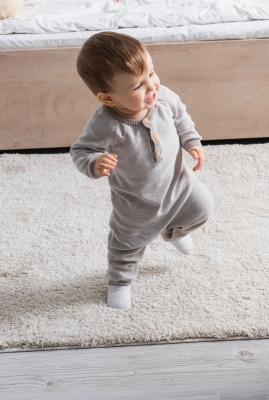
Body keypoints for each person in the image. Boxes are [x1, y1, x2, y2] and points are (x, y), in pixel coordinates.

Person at [71, 32, 213, 310]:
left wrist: (192, 142)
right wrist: (95, 163)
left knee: (203, 208)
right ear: (108, 97)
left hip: (178, 182)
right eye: (138, 86)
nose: (152, 87)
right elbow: (81, 151)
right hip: (136, 199)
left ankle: (173, 231)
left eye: (152, 73)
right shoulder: (107, 123)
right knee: (127, 245)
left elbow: (181, 117)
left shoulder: (163, 97)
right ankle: (119, 283)